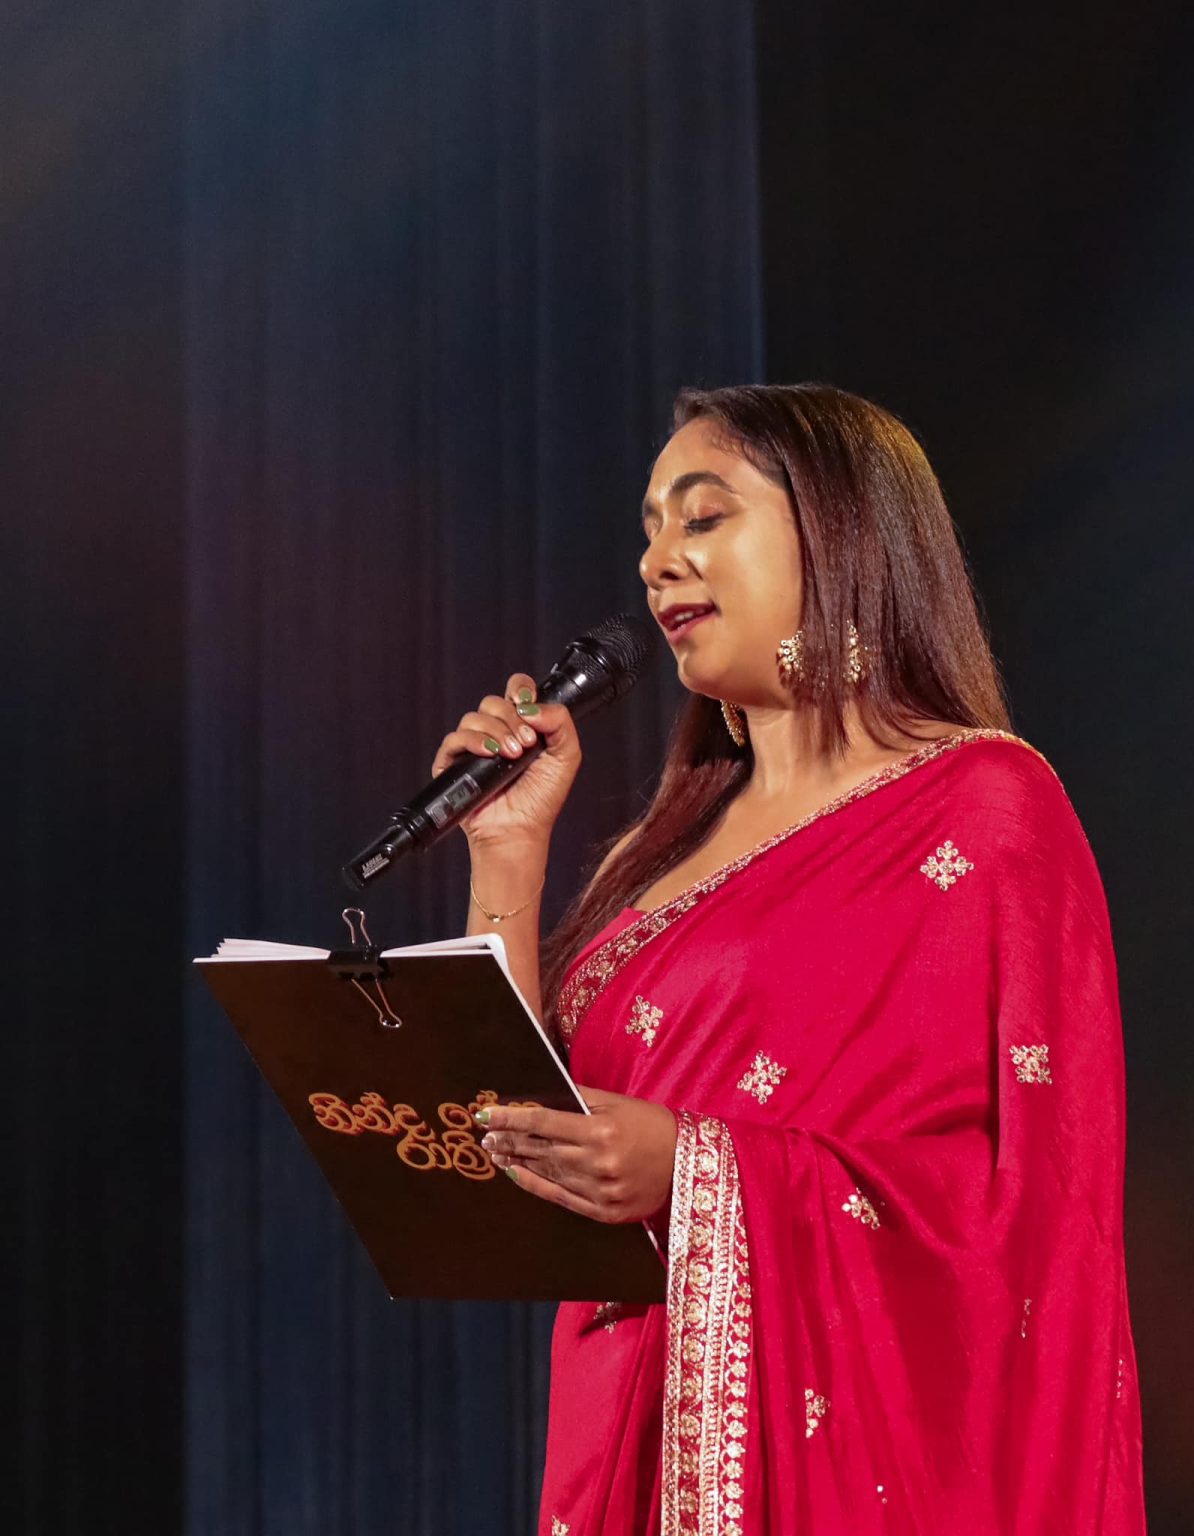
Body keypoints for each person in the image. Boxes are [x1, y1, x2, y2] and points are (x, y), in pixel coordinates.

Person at [430, 384, 1147, 1534]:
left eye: (704, 516)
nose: (658, 561)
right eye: (650, 530)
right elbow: (516, 1131)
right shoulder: (664, 859)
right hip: (629, 1433)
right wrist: (506, 855)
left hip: (843, 1461)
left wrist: (695, 1171)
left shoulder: (983, 806)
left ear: (840, 531)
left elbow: (1037, 1212)